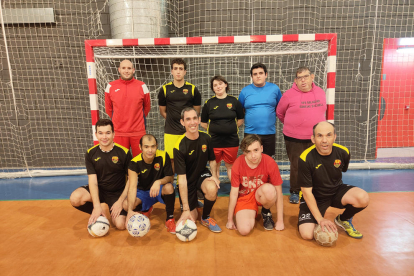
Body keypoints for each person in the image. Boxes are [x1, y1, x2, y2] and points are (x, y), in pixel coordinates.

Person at [298, 121, 369, 240]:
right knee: (307, 235)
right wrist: (320, 219)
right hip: (315, 196)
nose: (324, 140)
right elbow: (306, 192)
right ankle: (314, 217)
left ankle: (343, 219)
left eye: (328, 135)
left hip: (336, 191)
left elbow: (342, 170)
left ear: (334, 137)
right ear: (313, 139)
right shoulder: (305, 158)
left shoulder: (343, 152)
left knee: (363, 197)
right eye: (319, 136)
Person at [276, 66, 327, 204]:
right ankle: (295, 191)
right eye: (299, 78)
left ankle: (313, 191)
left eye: (305, 76)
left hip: (316, 137)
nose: (303, 80)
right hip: (294, 138)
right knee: (297, 165)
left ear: (312, 77)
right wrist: (293, 125)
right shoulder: (288, 95)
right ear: (295, 80)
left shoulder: (321, 92)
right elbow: (280, 113)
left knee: (317, 165)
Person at [70, 119, 131, 230]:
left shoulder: (124, 153)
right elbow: (92, 181)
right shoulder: (90, 153)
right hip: (100, 190)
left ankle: (114, 210)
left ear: (113, 134)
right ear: (96, 135)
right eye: (100, 133)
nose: (104, 137)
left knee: (121, 225)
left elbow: (131, 180)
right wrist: (97, 205)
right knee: (75, 198)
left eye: (108, 133)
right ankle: (99, 212)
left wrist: (120, 201)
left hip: (117, 194)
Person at [174, 107, 222, 233]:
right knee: (190, 220)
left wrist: (214, 176)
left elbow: (212, 160)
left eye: (195, 118)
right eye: (188, 119)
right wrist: (185, 209)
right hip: (187, 180)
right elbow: (182, 179)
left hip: (201, 174)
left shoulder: (206, 138)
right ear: (182, 122)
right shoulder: (179, 145)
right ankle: (193, 203)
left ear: (199, 120)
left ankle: (205, 217)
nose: (192, 122)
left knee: (212, 187)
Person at [226, 135, 284, 235]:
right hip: (245, 197)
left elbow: (278, 192)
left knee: (270, 190)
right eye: (249, 151)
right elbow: (234, 193)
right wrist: (230, 219)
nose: (253, 155)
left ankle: (266, 211)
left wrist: (280, 221)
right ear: (244, 152)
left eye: (256, 150)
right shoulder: (238, 164)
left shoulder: (270, 162)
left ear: (261, 148)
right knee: (244, 230)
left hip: (261, 194)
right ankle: (250, 213)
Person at [124, 134, 176, 234]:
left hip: (158, 189)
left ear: (156, 146)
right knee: (126, 205)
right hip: (143, 192)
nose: (150, 150)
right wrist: (130, 210)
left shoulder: (164, 155)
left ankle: (169, 219)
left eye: (153, 146)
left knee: (169, 187)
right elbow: (132, 187)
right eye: (146, 147)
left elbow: (169, 177)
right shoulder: (134, 163)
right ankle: (146, 209)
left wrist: (159, 182)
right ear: (140, 147)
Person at [158, 58, 201, 169]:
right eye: (175, 69)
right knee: (171, 160)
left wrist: (186, 123)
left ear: (185, 72)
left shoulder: (192, 89)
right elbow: (163, 111)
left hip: (187, 131)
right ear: (171, 71)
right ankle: (171, 185)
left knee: (189, 158)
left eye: (181, 69)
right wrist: (173, 120)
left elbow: (196, 112)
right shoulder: (164, 89)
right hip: (171, 131)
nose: (178, 71)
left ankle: (187, 185)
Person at [200, 75, 244, 181]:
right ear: (213, 88)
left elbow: (241, 119)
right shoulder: (209, 103)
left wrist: (230, 128)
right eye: (215, 85)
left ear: (225, 85)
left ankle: (234, 191)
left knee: (230, 166)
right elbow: (203, 122)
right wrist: (215, 130)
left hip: (231, 141)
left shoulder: (234, 101)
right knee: (215, 166)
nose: (218, 87)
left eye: (220, 84)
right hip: (214, 141)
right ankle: (213, 191)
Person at [105, 59, 151, 157]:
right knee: (120, 163)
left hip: (138, 132)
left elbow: (146, 107)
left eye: (129, 68)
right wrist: (119, 120)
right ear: (119, 70)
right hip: (119, 132)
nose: (126, 71)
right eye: (124, 68)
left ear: (133, 70)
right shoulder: (110, 86)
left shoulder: (142, 86)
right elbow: (109, 109)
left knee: (140, 162)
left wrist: (136, 120)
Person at [238, 62, 282, 157]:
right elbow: (240, 110)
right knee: (250, 160)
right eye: (255, 74)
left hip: (269, 133)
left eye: (261, 73)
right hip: (250, 133)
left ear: (266, 74)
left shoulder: (274, 89)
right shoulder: (245, 91)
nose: (258, 76)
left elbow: (280, 108)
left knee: (268, 162)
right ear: (251, 76)